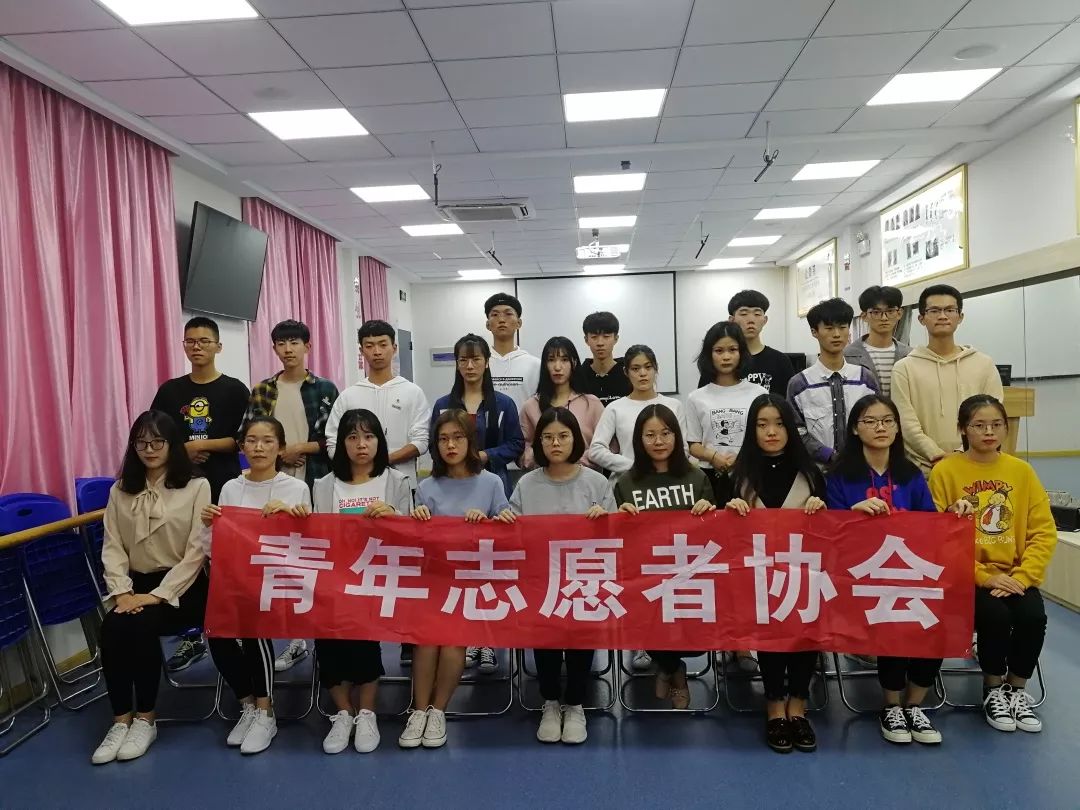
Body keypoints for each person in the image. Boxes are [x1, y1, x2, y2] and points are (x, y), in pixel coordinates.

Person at [929, 394, 1056, 734]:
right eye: (979, 425)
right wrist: (983, 577)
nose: (989, 432)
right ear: (962, 429)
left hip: (1014, 575)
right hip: (967, 576)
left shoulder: (1022, 471)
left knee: (1033, 617)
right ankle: (993, 688)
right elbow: (936, 535)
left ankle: (1016, 689)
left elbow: (1043, 531)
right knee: (995, 617)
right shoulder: (945, 472)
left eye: (996, 424)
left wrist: (1024, 577)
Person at [92, 411, 211, 765]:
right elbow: (113, 546)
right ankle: (120, 721)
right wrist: (121, 592)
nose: (149, 449)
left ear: (172, 444)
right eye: (141, 442)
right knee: (112, 627)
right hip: (133, 585)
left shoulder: (196, 486)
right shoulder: (120, 490)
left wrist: (158, 595)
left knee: (141, 626)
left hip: (183, 587)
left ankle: (145, 719)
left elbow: (196, 552)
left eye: (157, 441)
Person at [825, 395, 943, 746]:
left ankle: (914, 705)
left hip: (907, 573)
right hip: (858, 576)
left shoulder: (912, 475)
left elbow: (931, 526)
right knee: (892, 610)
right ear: (855, 429)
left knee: (936, 614)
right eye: (871, 421)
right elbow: (828, 533)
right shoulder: (839, 477)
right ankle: (891, 704)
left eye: (888, 420)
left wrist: (955, 513)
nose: (881, 427)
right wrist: (852, 514)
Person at [400, 410, 515, 749]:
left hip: (475, 581)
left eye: (458, 437)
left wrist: (489, 522)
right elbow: (415, 544)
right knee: (425, 640)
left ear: (470, 441)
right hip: (435, 580)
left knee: (452, 639)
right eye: (443, 439)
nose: (450, 445)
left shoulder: (491, 483)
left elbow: (509, 529)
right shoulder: (427, 487)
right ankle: (418, 711)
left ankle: (438, 711)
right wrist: (418, 518)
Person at [201, 416, 312, 755]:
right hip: (238, 581)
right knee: (216, 631)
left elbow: (310, 547)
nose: (259, 447)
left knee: (252, 621)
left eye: (267, 441)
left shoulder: (296, 488)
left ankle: (266, 711)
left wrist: (291, 517)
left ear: (281, 448)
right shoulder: (231, 488)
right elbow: (214, 547)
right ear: (242, 447)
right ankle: (247, 703)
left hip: (281, 582)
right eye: (251, 440)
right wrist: (208, 524)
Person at [324, 320, 429, 668]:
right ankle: (360, 638)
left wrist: (380, 462)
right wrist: (361, 466)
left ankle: (408, 639)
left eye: (383, 344)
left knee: (403, 566)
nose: (377, 351)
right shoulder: (349, 395)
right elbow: (332, 440)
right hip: (352, 493)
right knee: (358, 568)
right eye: (369, 345)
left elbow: (421, 440)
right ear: (362, 351)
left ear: (394, 347)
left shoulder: (411, 392)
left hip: (400, 489)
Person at [508, 407, 616, 744]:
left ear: (576, 439)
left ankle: (576, 704)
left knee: (582, 636)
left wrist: (605, 520)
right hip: (541, 580)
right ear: (539, 442)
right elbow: (512, 534)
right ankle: (551, 702)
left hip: (586, 580)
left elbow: (617, 538)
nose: (555, 443)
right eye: (548, 437)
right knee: (547, 640)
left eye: (563, 436)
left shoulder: (597, 482)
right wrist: (504, 522)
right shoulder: (527, 484)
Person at [727, 394, 827, 754]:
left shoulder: (811, 473)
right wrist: (730, 508)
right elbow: (721, 531)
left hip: (803, 572)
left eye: (779, 424)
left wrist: (821, 507)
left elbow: (833, 529)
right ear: (751, 430)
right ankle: (774, 707)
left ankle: (798, 706)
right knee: (770, 635)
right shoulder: (738, 475)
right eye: (762, 424)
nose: (771, 432)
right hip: (757, 575)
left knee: (804, 634)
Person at [150, 316, 248, 673]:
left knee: (225, 563)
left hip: (224, 489)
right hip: (179, 491)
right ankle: (192, 635)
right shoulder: (169, 391)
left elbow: (245, 438)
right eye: (190, 341)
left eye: (204, 341)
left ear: (218, 346)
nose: (197, 347)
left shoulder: (235, 390)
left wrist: (201, 445)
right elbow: (155, 436)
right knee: (187, 561)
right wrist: (184, 452)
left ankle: (234, 629)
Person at [314, 408, 413, 755]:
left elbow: (415, 535)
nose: (361, 444)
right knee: (325, 634)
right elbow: (314, 535)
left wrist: (394, 516)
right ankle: (344, 713)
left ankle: (367, 712)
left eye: (369, 436)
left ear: (379, 442)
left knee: (361, 635)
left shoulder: (397, 482)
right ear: (341, 444)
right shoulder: (323, 486)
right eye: (353, 437)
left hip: (378, 578)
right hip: (332, 577)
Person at [245, 319, 340, 674]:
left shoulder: (324, 388)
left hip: (316, 480)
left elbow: (335, 439)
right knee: (280, 560)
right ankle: (296, 637)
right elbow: (248, 436)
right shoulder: (263, 390)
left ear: (307, 346)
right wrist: (281, 453)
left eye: (294, 342)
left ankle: (324, 632)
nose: (288, 349)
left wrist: (302, 447)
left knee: (315, 556)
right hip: (272, 485)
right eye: (281, 343)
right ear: (274, 348)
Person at [589, 344, 686, 672]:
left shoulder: (673, 405)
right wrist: (632, 465)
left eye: (647, 367)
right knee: (637, 568)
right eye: (635, 368)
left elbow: (683, 449)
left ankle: (670, 637)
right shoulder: (616, 408)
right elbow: (596, 449)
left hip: (671, 494)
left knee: (668, 565)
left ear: (656, 369)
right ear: (626, 372)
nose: (642, 373)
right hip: (630, 494)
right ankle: (642, 640)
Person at [431, 334, 524, 673]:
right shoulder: (444, 404)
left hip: (491, 487)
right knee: (459, 569)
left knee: (489, 569)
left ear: (487, 362)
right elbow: (435, 443)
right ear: (457, 364)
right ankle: (465, 638)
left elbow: (516, 444)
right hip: (453, 491)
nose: (469, 366)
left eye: (476, 359)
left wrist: (484, 456)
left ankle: (487, 641)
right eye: (463, 360)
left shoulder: (504, 404)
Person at [612, 404, 716, 708]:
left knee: (689, 626)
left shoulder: (696, 477)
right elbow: (617, 539)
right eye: (650, 435)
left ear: (677, 436)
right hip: (644, 577)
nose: (659, 441)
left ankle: (667, 667)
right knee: (641, 614)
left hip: (688, 575)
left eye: (666, 433)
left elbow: (714, 532)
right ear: (639, 440)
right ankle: (674, 670)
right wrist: (619, 517)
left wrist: (708, 512)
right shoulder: (627, 482)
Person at [892, 285, 1004, 474]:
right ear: (921, 318)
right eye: (934, 310)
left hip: (975, 466)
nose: (942, 316)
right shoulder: (904, 368)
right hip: (924, 470)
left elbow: (994, 416)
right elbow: (906, 422)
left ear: (960, 317)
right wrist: (937, 455)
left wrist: (961, 454)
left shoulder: (983, 364)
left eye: (950, 310)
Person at [787, 298, 878, 466]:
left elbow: (877, 421)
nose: (836, 334)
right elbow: (796, 431)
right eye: (829, 328)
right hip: (818, 471)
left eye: (842, 327)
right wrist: (829, 456)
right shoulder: (800, 384)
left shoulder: (864, 378)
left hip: (862, 466)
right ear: (814, 332)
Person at [686, 321, 768, 506]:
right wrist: (713, 457)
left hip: (751, 474)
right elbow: (693, 445)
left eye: (732, 350)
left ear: (741, 352)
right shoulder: (696, 397)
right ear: (709, 354)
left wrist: (742, 458)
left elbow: (764, 437)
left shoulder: (759, 393)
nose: (726, 357)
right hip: (710, 476)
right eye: (719, 351)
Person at [519, 336, 604, 470]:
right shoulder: (531, 406)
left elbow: (606, 446)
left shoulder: (592, 403)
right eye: (551, 360)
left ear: (574, 363)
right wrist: (544, 457)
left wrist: (573, 459)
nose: (557, 367)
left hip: (585, 475)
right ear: (544, 365)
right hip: (545, 476)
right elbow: (522, 449)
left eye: (564, 360)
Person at [844, 286, 911, 398]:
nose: (884, 318)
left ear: (899, 314)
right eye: (876, 312)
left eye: (890, 311)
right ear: (864, 316)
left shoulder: (910, 355)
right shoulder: (848, 356)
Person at [728, 290, 795, 396]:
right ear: (732, 320)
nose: (751, 320)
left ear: (765, 320)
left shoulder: (780, 361)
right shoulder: (723, 360)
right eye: (744, 314)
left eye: (757, 314)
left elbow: (789, 401)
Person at [483, 292, 541, 411]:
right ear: (488, 325)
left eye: (508, 314)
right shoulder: (479, 363)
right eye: (495, 314)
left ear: (519, 323)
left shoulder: (535, 365)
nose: (501, 320)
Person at [575, 311, 632, 406]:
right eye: (594, 337)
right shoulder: (579, 376)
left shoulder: (629, 374)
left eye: (606, 336)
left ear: (616, 338)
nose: (600, 343)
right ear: (586, 340)